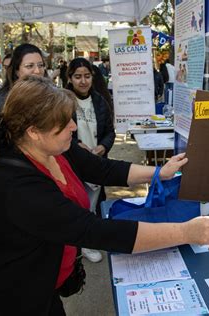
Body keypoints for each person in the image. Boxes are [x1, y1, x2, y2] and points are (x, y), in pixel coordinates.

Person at [0, 75, 209, 315]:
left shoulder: (55, 147)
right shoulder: (16, 186)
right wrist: (186, 232)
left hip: (44, 281)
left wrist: (159, 173)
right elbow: (96, 231)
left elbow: (102, 169)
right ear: (34, 131)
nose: (74, 126)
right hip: (17, 295)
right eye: (64, 123)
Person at [66, 58, 116, 263]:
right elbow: (57, 130)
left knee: (91, 204)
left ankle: (87, 243)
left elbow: (109, 133)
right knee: (72, 204)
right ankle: (73, 244)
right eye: (78, 76)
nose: (83, 81)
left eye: (87, 76)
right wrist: (77, 144)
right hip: (72, 161)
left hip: (95, 162)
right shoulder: (62, 101)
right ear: (69, 78)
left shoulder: (100, 101)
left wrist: (103, 146)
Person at [0, 43, 47, 116]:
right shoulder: (4, 100)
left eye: (40, 65)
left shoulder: (52, 95)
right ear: (17, 71)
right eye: (29, 66)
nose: (37, 71)